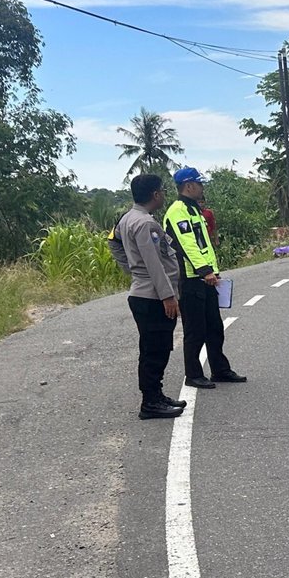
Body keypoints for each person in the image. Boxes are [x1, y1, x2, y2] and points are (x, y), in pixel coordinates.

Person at [108, 174, 187, 419]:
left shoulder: (126, 219)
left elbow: (113, 243)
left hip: (145, 293)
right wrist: (168, 296)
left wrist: (132, 270)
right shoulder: (144, 223)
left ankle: (156, 395)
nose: (164, 195)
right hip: (153, 297)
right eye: (162, 191)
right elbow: (154, 263)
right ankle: (150, 402)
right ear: (155, 194)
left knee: (154, 348)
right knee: (155, 350)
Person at [164, 167, 246, 389]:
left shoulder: (194, 210)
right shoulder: (177, 211)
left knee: (214, 327)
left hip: (206, 278)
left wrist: (213, 271)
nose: (202, 188)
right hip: (190, 279)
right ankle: (193, 374)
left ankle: (220, 369)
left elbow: (204, 244)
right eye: (200, 184)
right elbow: (187, 244)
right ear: (189, 185)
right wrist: (204, 270)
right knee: (195, 330)